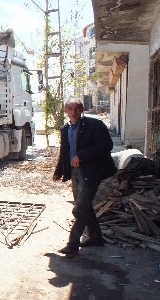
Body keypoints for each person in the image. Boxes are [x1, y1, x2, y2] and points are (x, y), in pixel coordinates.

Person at [53, 98, 117, 256]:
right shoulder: (66, 128)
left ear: (82, 110)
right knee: (85, 206)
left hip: (92, 171)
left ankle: (72, 244)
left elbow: (106, 146)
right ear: (65, 111)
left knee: (80, 208)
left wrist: (81, 156)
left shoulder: (95, 125)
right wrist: (58, 171)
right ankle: (96, 238)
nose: (73, 112)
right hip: (76, 173)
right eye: (70, 108)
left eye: (77, 108)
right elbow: (65, 152)